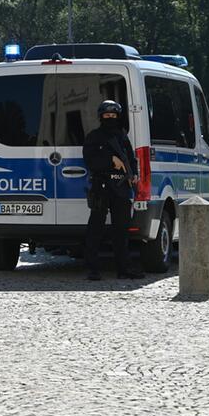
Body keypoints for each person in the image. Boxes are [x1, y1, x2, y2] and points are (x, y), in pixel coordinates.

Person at [83, 100, 144, 281]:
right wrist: (110, 160)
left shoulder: (122, 137)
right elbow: (90, 159)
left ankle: (123, 268)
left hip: (121, 187)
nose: (110, 118)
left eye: (113, 116)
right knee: (96, 228)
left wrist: (134, 174)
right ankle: (93, 268)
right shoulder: (94, 136)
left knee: (121, 230)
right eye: (107, 115)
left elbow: (130, 159)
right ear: (101, 117)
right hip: (101, 186)